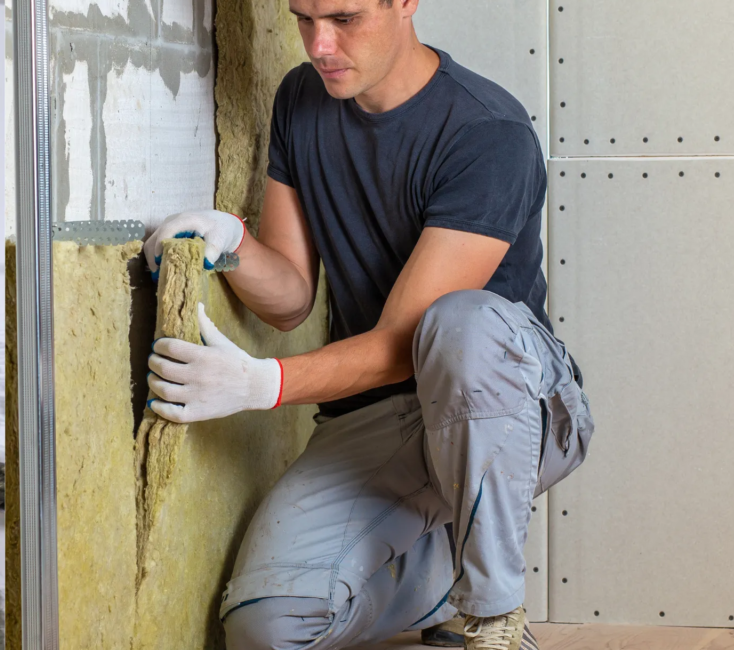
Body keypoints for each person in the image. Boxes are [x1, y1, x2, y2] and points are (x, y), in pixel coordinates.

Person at [142, 1, 594, 649]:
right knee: (266, 629)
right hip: (380, 415)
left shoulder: (488, 132)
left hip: (511, 405)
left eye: (345, 18)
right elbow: (291, 297)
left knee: (460, 326)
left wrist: (260, 383)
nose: (320, 45)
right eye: (304, 18)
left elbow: (399, 346)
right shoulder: (302, 98)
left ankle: (494, 617)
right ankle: (443, 585)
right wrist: (229, 243)